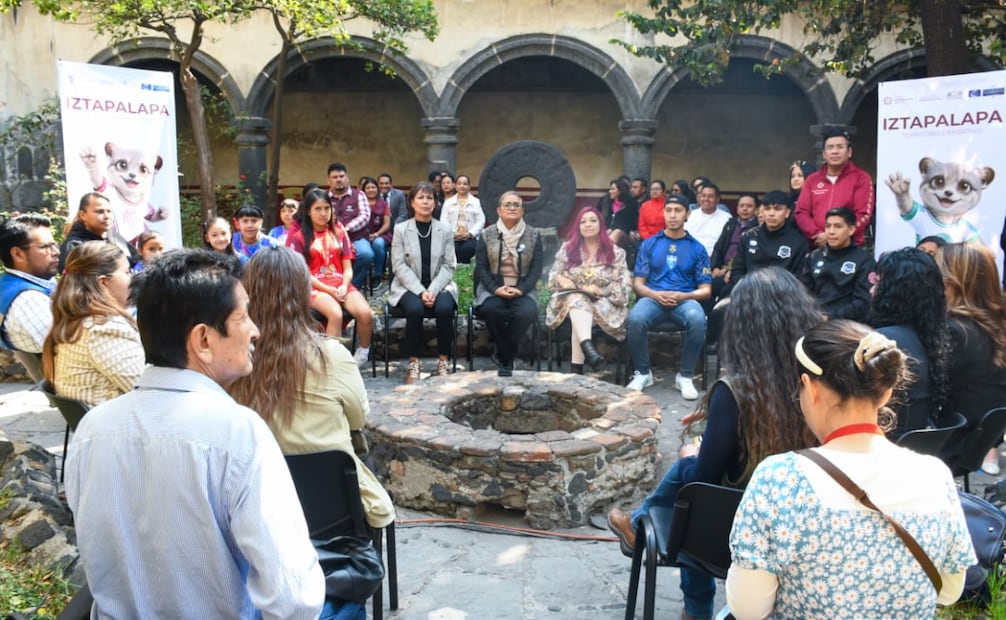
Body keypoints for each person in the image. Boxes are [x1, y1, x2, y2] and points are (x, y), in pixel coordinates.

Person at [65, 249, 325, 619]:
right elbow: (293, 597)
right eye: (243, 316)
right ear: (203, 339)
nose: (255, 330)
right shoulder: (237, 433)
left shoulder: (92, 429)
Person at [609, 268, 822, 620]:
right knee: (698, 488)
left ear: (742, 325)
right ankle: (638, 520)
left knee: (691, 485)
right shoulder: (816, 384)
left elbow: (704, 477)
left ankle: (695, 609)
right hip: (793, 529)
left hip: (728, 535)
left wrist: (693, 452)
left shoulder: (737, 389)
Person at [726, 321, 975, 619]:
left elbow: (748, 610)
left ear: (810, 387)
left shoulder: (779, 479)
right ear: (885, 393)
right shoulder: (935, 475)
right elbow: (949, 591)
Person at [230, 246, 396, 535]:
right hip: (334, 515)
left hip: (260, 512)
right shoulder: (331, 356)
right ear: (303, 292)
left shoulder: (233, 358)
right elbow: (358, 419)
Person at [624, 194, 711, 397]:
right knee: (635, 318)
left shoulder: (697, 248)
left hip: (685, 299)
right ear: (663, 213)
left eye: (678, 210)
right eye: (669, 210)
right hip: (653, 297)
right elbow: (638, 284)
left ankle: (685, 376)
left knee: (698, 319)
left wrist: (683, 296)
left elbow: (706, 290)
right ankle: (643, 373)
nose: (673, 215)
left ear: (687, 214)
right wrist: (655, 294)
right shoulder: (649, 244)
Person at [42, 242, 144, 407]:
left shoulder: (77, 320)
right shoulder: (104, 328)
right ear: (104, 282)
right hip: (116, 426)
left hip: (94, 423)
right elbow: (148, 391)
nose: (132, 278)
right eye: (127, 272)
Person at [936, 242, 1006, 472]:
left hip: (950, 442)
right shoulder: (996, 322)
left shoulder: (956, 331)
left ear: (953, 281)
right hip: (978, 442)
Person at [868, 247, 949, 440]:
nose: (871, 291)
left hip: (884, 448)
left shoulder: (884, 342)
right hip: (918, 445)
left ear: (894, 293)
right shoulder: (932, 337)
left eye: (878, 284)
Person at [287, 188, 373, 366]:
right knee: (335, 313)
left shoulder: (340, 232)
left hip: (340, 284)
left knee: (365, 313)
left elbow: (347, 267)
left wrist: (344, 285)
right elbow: (303, 274)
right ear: (308, 212)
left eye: (327, 208)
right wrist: (329, 290)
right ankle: (332, 363)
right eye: (317, 209)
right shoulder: (299, 237)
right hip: (314, 286)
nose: (323, 213)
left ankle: (362, 354)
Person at [546, 206, 631, 373]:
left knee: (579, 308)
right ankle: (588, 351)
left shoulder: (615, 252)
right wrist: (571, 283)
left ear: (601, 225)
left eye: (593, 220)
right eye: (583, 222)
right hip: (569, 303)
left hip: (604, 303)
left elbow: (622, 283)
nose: (588, 224)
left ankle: (577, 367)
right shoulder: (568, 249)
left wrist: (602, 291)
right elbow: (554, 275)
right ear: (578, 227)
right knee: (578, 300)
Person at [389, 182, 459, 383]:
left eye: (429, 198)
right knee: (415, 309)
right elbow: (399, 266)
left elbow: (449, 265)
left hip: (440, 285)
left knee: (445, 308)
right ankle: (414, 362)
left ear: (435, 203)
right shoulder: (401, 229)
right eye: (420, 197)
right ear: (412, 202)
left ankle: (443, 361)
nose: (425, 202)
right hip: (408, 287)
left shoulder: (445, 229)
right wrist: (421, 292)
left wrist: (433, 290)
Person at [473, 191, 543, 377]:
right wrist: (495, 289)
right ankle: (508, 356)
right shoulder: (486, 235)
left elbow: (536, 269)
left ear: (522, 211)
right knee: (491, 310)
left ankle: (503, 355)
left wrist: (521, 289)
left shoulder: (533, 235)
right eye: (508, 204)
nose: (512, 208)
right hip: (493, 287)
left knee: (526, 311)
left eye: (516, 205)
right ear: (499, 210)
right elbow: (481, 267)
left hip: (523, 288)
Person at [795, 127, 875, 248]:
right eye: (830, 147)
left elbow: (863, 214)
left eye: (840, 147)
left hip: (849, 248)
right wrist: (817, 234)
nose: (835, 151)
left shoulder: (861, 178)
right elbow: (801, 212)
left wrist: (835, 236)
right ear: (824, 154)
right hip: (816, 246)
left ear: (849, 152)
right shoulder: (812, 180)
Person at [0, 214, 59, 358]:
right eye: (45, 247)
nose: (56, 252)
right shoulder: (28, 299)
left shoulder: (15, 282)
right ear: (18, 254)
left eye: (54, 244)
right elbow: (67, 349)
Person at [802, 206, 875, 322]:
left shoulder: (864, 260)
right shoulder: (814, 257)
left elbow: (863, 302)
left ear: (851, 230)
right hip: (814, 319)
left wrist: (829, 318)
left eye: (838, 226)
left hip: (847, 325)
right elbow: (804, 292)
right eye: (828, 226)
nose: (831, 232)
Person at [730, 190, 808, 283]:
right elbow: (737, 272)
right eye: (767, 209)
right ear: (762, 212)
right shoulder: (748, 236)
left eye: (777, 209)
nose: (771, 214)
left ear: (787, 213)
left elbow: (800, 280)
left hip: (783, 294)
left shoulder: (798, 242)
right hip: (749, 291)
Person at [60, 192, 139, 272]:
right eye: (100, 212)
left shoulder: (116, 238)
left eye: (109, 211)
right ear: (82, 215)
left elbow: (138, 264)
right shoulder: (73, 246)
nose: (107, 216)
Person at [327, 163, 373, 290]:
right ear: (329, 180)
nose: (339, 179)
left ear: (347, 177)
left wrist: (346, 229)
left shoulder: (359, 195)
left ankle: (352, 288)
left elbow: (365, 216)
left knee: (366, 254)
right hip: (330, 239)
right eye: (335, 177)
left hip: (356, 238)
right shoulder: (324, 198)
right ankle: (332, 285)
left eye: (341, 176)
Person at [708, 192, 758, 303]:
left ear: (756, 209)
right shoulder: (731, 224)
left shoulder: (758, 227)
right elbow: (719, 248)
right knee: (705, 288)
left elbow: (745, 255)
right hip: (720, 269)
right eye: (741, 206)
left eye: (749, 206)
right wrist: (714, 267)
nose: (744, 209)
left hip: (738, 272)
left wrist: (729, 269)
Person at [440, 174, 484, 264]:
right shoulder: (448, 203)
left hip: (470, 237)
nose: (462, 186)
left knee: (468, 249)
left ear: (469, 186)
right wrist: (453, 233)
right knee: (451, 250)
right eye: (459, 184)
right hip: (452, 237)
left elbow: (481, 221)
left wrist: (470, 233)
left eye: (465, 184)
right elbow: (443, 221)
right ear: (455, 186)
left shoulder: (476, 202)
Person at [684, 182, 732, 258]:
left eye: (710, 196)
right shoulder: (691, 215)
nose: (706, 199)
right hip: (691, 257)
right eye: (703, 196)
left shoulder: (726, 218)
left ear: (717, 199)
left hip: (714, 260)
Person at [360, 176, 390, 288]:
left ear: (377, 189)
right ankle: (361, 275)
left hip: (380, 234)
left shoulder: (383, 204)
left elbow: (387, 223)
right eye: (368, 188)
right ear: (363, 190)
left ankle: (378, 275)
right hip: (361, 235)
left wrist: (376, 234)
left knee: (378, 244)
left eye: (373, 187)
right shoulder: (359, 203)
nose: (371, 190)